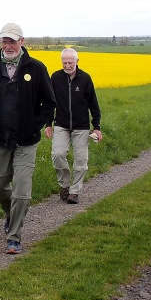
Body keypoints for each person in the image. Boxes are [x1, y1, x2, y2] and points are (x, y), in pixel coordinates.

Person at [0, 22, 56, 255]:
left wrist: (34, 123)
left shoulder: (36, 68)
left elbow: (49, 102)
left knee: (22, 191)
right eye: (4, 40)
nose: (8, 45)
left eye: (12, 40)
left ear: (22, 41)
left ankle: (14, 237)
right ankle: (11, 213)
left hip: (26, 140)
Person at [45, 48, 102, 205]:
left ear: (77, 61)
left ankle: (74, 192)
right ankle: (64, 185)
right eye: (64, 62)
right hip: (61, 124)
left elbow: (93, 104)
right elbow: (50, 102)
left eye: (70, 62)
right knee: (57, 154)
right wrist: (48, 124)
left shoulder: (85, 79)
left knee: (81, 160)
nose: (67, 65)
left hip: (81, 126)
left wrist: (96, 126)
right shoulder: (55, 78)